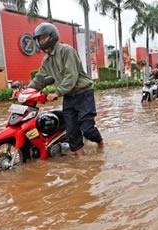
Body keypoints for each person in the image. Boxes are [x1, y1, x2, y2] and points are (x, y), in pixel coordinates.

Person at [28, 22, 103, 156]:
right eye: (39, 39)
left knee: (87, 129)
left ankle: (101, 143)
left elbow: (71, 76)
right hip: (69, 97)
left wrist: (56, 92)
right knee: (71, 132)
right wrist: (26, 92)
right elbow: (39, 79)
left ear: (52, 36)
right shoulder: (46, 60)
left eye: (43, 37)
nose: (41, 41)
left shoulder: (66, 51)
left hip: (83, 94)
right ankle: (82, 162)